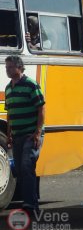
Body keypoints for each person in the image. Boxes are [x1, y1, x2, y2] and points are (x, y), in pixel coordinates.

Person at [4, 56, 45, 213]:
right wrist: (9, 134)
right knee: (20, 170)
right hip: (17, 135)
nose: (7, 70)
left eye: (10, 67)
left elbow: (41, 108)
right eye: (6, 67)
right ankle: (32, 202)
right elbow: (10, 114)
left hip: (31, 133)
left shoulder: (31, 84)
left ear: (19, 67)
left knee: (27, 166)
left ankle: (30, 204)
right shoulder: (8, 88)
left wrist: (37, 132)